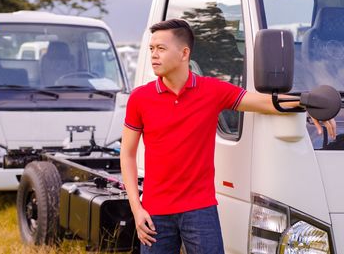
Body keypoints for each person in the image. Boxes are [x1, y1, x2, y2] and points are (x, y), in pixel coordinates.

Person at [120, 19, 336, 254]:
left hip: (200, 209)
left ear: (184, 53)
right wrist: (137, 208)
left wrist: (307, 103)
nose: (154, 55)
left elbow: (263, 102)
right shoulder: (140, 98)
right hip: (155, 212)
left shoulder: (212, 91)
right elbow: (128, 154)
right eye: (151, 49)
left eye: (161, 49)